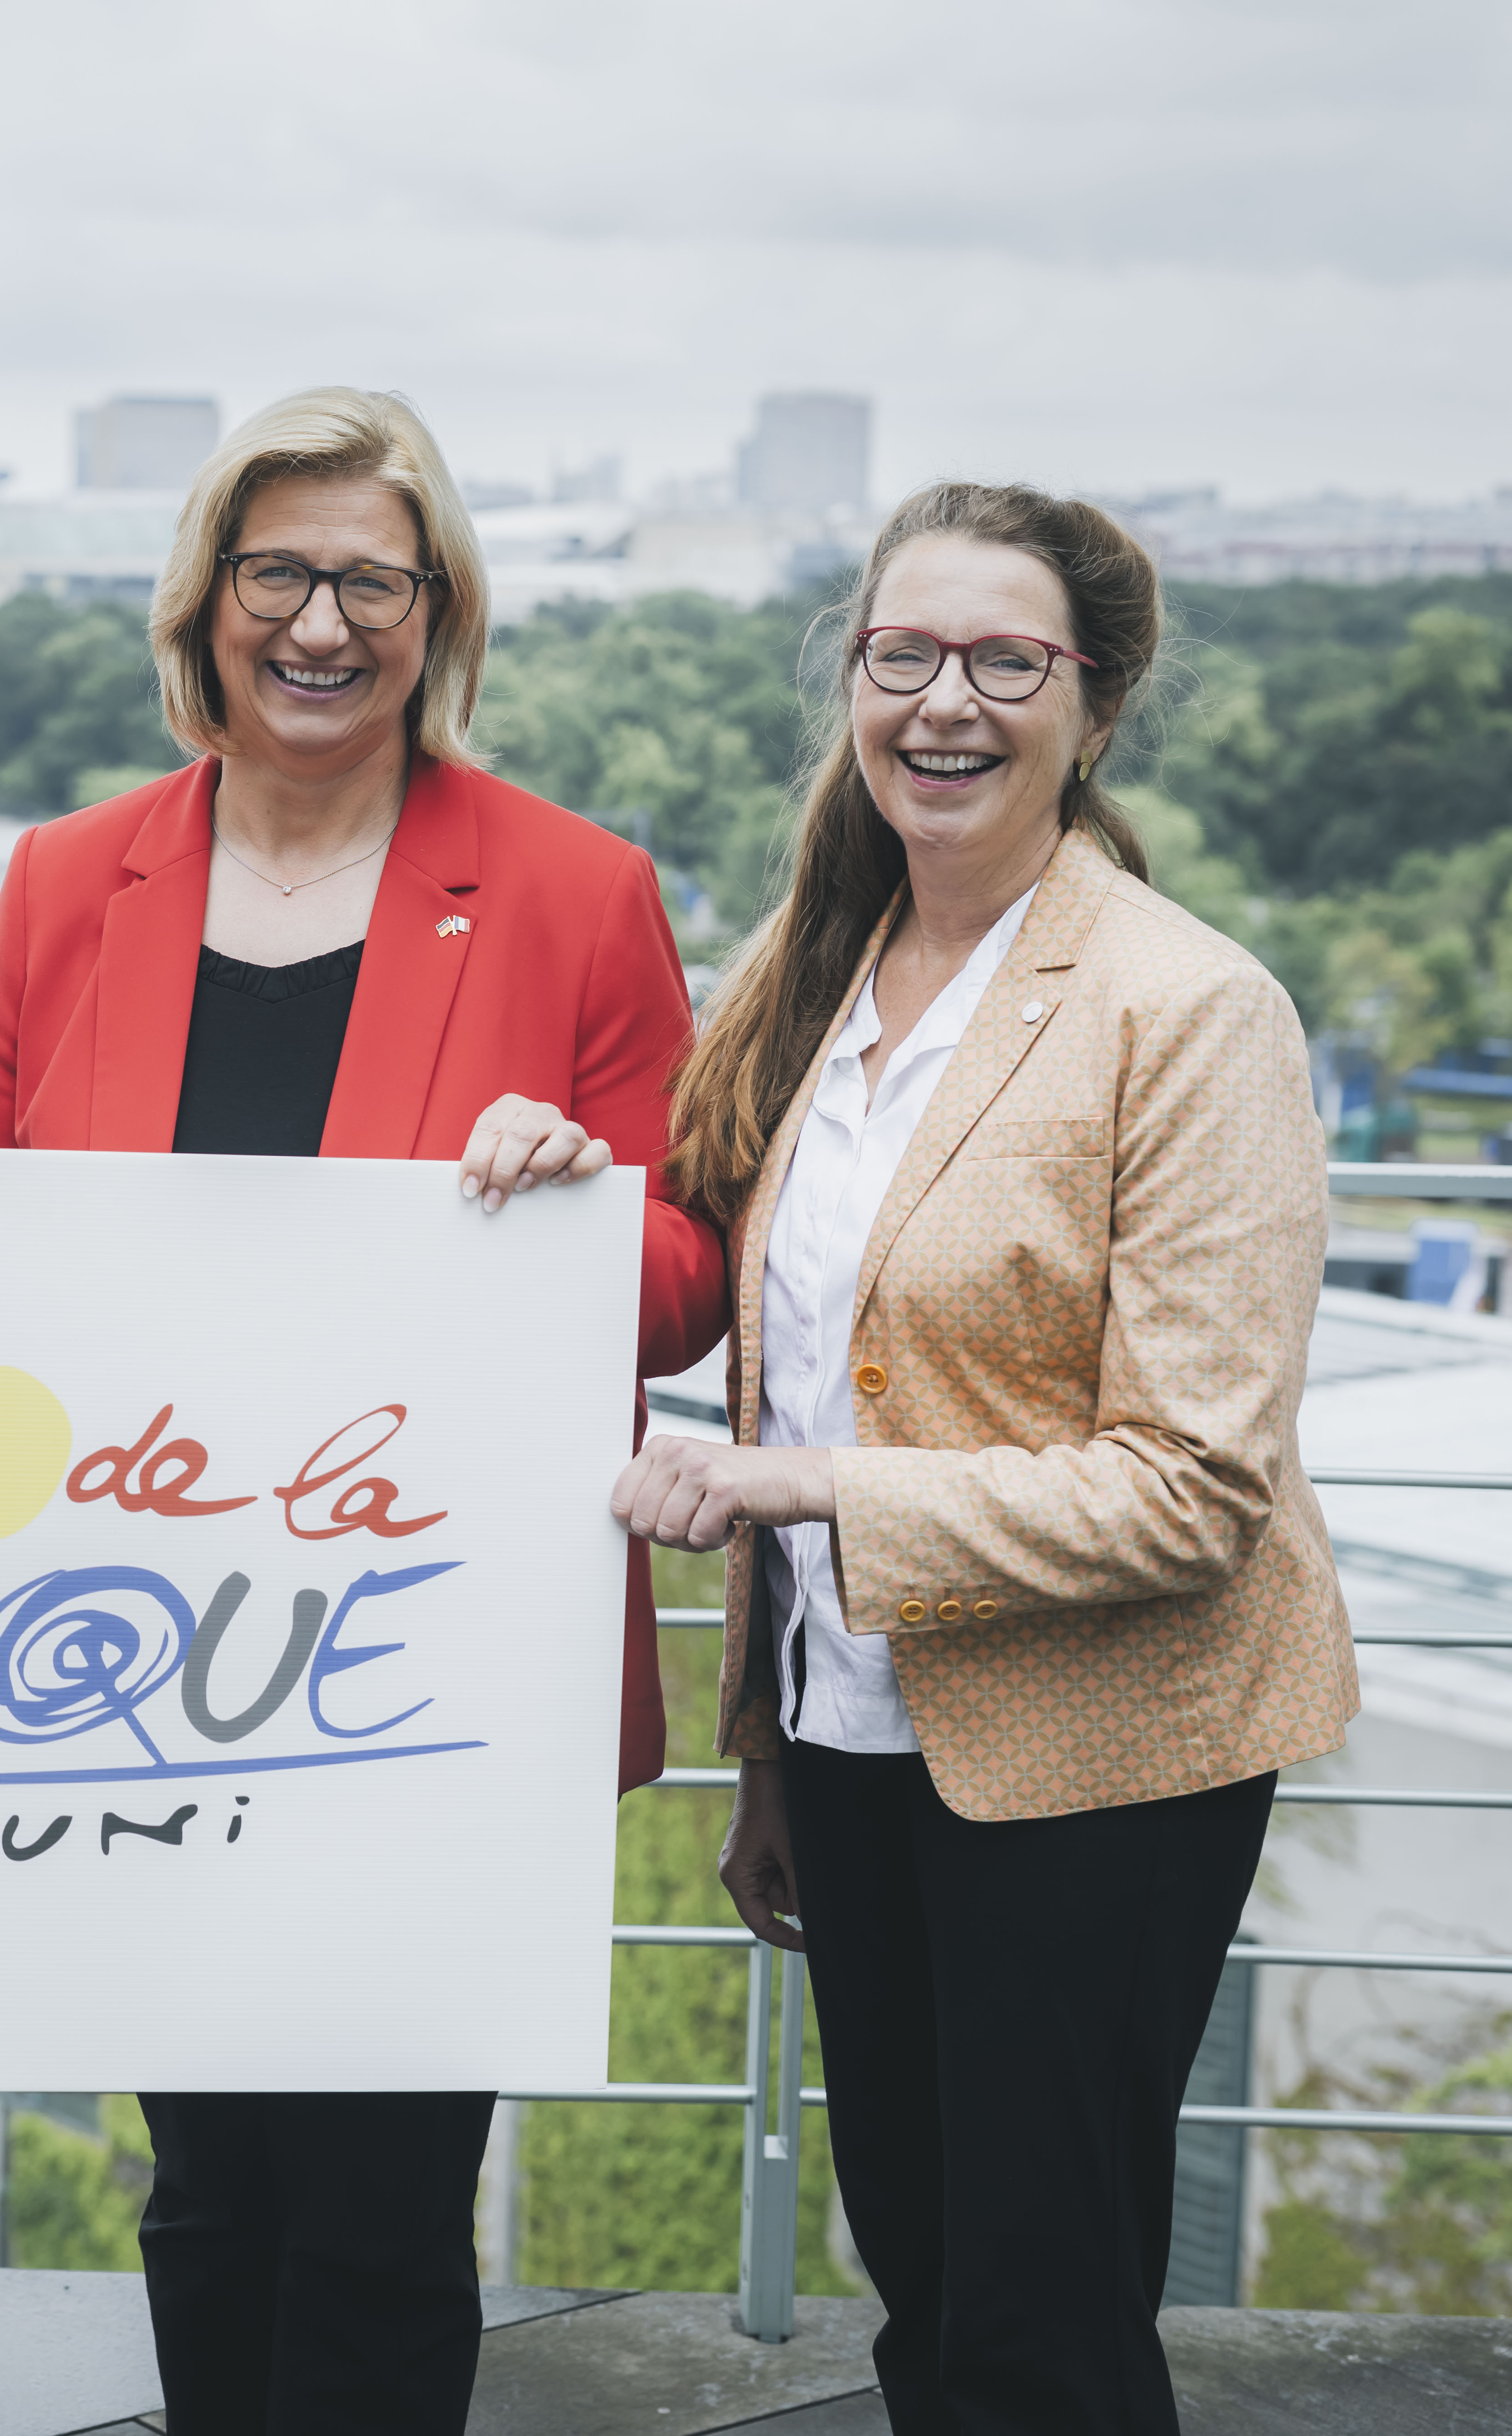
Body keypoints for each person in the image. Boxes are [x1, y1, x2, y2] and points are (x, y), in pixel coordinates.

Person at [0, 386, 730, 2435]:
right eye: (273, 572)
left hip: (428, 1667)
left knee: (380, 2208)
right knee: (201, 2192)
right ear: (202, 604)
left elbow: (684, 1284)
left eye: (365, 580)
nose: (315, 623)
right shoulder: (58, 884)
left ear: (434, 611)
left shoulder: (574, 891)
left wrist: (579, 1216)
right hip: (126, 1645)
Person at [611, 481, 1356, 2436]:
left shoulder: (1185, 1010)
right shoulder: (811, 980)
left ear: (1087, 706)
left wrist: (807, 1498)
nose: (944, 702)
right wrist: (770, 1756)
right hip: (855, 1744)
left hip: (1096, 1764)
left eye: (1003, 661)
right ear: (850, 679)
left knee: (1035, 2321)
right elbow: (773, 1345)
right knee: (924, 2278)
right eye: (900, 655)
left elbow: (1193, 1487)